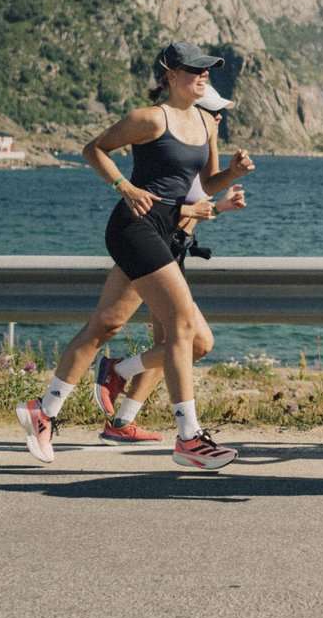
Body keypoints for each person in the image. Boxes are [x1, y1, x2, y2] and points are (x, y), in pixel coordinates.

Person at [14, 44, 253, 472]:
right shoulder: (149, 118)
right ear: (169, 74)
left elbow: (203, 183)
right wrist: (124, 186)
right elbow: (95, 149)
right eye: (195, 70)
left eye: (207, 71)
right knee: (181, 328)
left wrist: (233, 174)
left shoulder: (205, 121)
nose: (203, 77)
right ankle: (189, 438)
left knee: (112, 326)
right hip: (134, 226)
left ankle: (44, 411)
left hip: (169, 233)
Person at [98, 84, 248, 440]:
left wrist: (223, 199)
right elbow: (170, 204)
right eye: (213, 112)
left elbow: (202, 195)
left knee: (171, 342)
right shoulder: (178, 150)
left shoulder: (199, 148)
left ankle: (121, 419)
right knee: (191, 342)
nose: (217, 119)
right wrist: (191, 209)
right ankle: (116, 373)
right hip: (153, 250)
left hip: (172, 250)